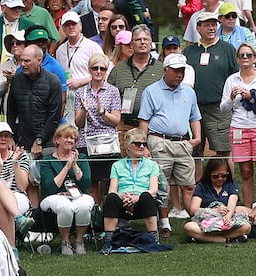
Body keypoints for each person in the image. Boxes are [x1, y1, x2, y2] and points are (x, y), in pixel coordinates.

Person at [137, 51, 201, 233]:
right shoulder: (151, 91)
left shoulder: (189, 91)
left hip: (182, 142)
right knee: (161, 185)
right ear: (165, 70)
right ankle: (164, 222)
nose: (179, 74)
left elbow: (195, 117)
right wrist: (144, 145)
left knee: (188, 184)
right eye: (175, 71)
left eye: (182, 71)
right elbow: (144, 121)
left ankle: (195, 219)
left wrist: (196, 139)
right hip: (159, 141)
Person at [219, 40, 256, 206]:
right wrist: (231, 98)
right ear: (237, 59)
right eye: (241, 55)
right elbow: (223, 108)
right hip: (239, 127)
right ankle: (248, 208)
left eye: (248, 55)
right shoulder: (231, 80)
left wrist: (252, 96)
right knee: (245, 171)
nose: (245, 58)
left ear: (255, 58)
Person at [184, 11, 237, 159]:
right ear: (198, 28)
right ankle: (196, 182)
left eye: (214, 25)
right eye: (207, 25)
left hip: (220, 108)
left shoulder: (228, 49)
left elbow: (235, 77)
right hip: (193, 109)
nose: (211, 28)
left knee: (224, 151)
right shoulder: (189, 52)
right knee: (194, 152)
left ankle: (228, 182)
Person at [37, 123, 95, 252]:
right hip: (53, 196)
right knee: (66, 207)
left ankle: (79, 241)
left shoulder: (82, 158)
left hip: (78, 194)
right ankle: (65, 242)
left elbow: (86, 184)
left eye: (73, 138)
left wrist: (74, 165)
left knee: (84, 205)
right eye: (66, 137)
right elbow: (51, 187)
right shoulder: (47, 160)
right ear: (57, 139)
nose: (70, 140)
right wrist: (67, 167)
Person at [99, 127, 159, 250]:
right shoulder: (117, 165)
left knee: (147, 196)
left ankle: (154, 238)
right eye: (138, 144)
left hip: (142, 201)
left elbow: (154, 190)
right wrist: (124, 197)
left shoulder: (152, 165)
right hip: (122, 200)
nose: (142, 147)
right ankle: (108, 240)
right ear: (128, 146)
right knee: (111, 198)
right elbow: (112, 190)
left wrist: (136, 198)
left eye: (144, 144)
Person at [74, 52, 121, 196]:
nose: (99, 71)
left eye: (102, 68)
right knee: (91, 182)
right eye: (95, 68)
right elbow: (78, 123)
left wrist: (103, 112)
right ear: (89, 70)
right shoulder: (80, 92)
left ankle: (107, 215)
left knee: (109, 182)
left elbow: (116, 120)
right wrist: (83, 110)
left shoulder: (113, 91)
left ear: (106, 71)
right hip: (87, 141)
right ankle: (93, 214)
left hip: (107, 140)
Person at [184, 155, 251, 241]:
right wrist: (214, 211)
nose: (220, 179)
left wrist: (228, 215)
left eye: (224, 176)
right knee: (189, 227)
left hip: (226, 220)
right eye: (216, 176)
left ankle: (206, 238)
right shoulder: (201, 186)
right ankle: (227, 239)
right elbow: (193, 209)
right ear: (209, 174)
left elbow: (232, 203)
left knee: (246, 227)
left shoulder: (231, 184)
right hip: (206, 220)